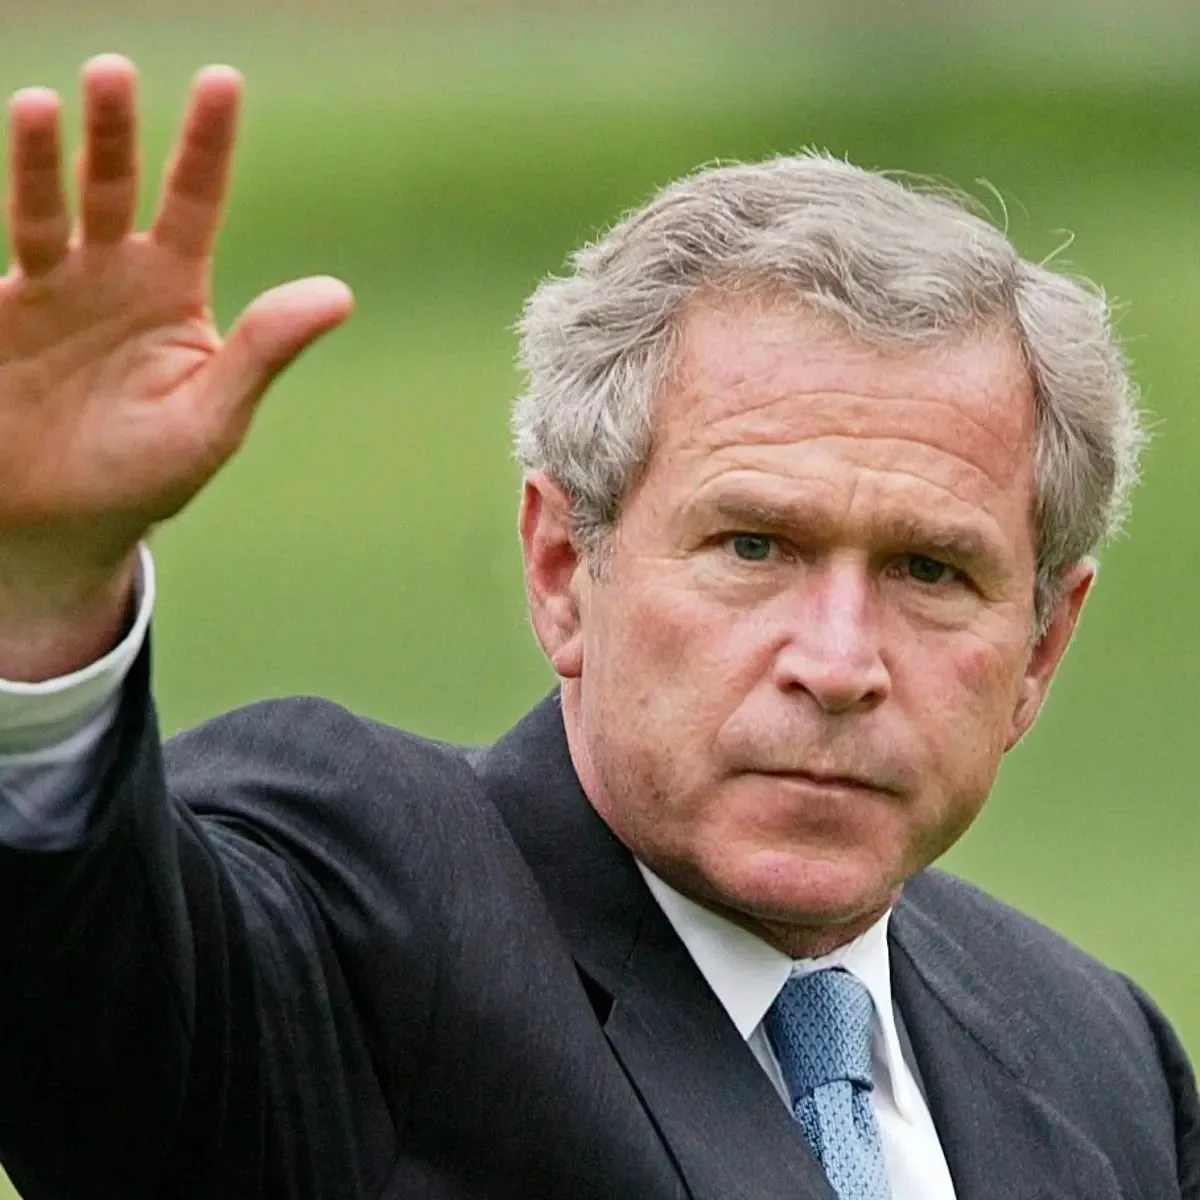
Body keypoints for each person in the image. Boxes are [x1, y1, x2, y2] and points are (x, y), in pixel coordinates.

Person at [0, 51, 1194, 1200]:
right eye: (753, 546)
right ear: (566, 566)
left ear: (1040, 649)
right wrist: (39, 603)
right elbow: (89, 1015)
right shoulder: (371, 917)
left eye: (930, 571)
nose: (837, 664)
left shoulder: (1099, 1063)